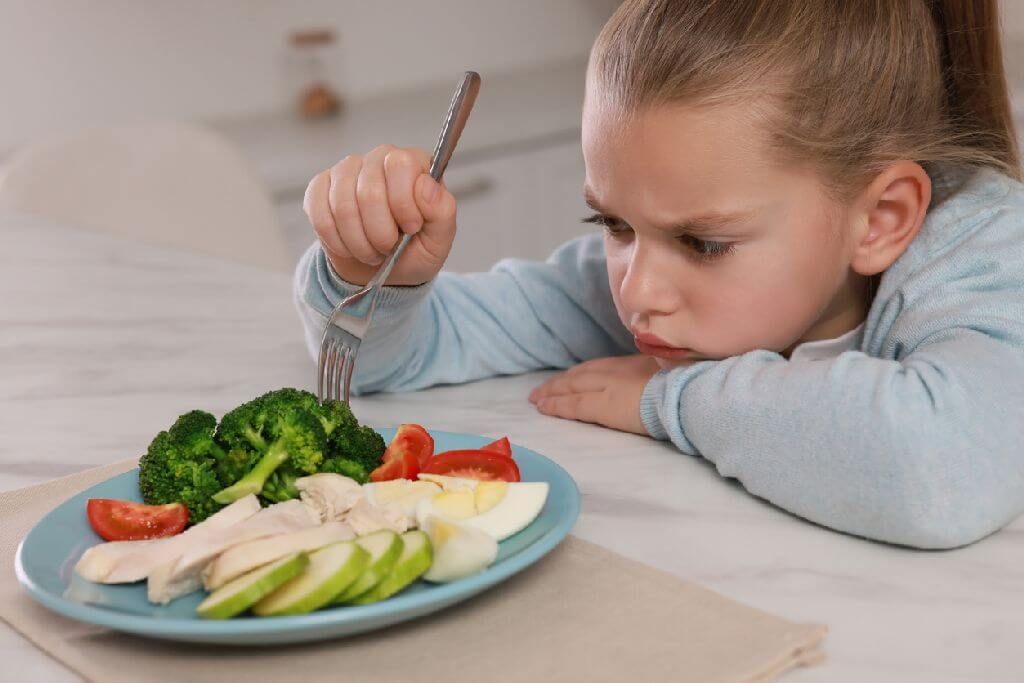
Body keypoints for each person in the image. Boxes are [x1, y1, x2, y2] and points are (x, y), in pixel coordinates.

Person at [295, 0, 1024, 549]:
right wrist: (376, 278)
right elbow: (392, 361)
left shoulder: (984, 255)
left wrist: (668, 398)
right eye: (612, 224)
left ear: (881, 218)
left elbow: (940, 471)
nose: (636, 293)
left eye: (703, 242)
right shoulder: (652, 280)